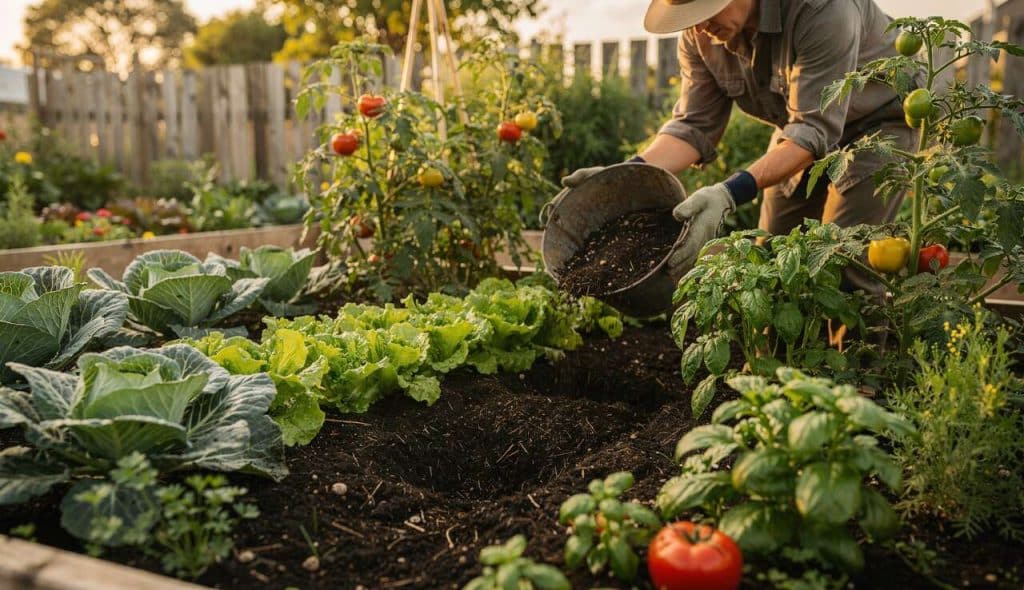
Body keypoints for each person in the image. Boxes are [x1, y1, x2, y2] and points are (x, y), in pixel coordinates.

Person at [563, 0, 916, 288]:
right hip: (795, 131)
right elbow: (693, 126)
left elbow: (814, 128)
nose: (699, 25)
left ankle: (852, 375)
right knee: (774, 259)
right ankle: (772, 375)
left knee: (846, 263)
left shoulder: (821, 9)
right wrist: (623, 176)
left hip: (875, 127)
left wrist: (729, 192)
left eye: (705, 9)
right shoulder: (700, 36)